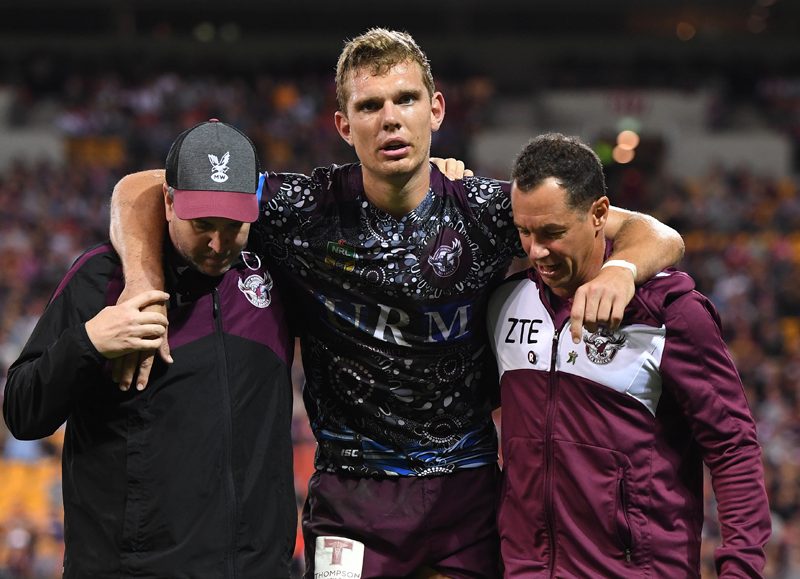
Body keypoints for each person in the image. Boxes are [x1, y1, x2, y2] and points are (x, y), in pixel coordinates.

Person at [109, 29, 685, 578]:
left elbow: (655, 233)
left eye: (405, 99)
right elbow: (141, 187)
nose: (390, 118)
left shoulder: (486, 210)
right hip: (351, 496)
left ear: (435, 110)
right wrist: (141, 286)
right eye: (369, 105)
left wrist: (620, 269)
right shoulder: (302, 208)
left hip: (465, 491)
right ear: (343, 124)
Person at [3, 120, 296, 578]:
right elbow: (23, 412)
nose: (217, 243)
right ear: (169, 201)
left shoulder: (273, 272)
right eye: (202, 225)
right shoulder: (102, 278)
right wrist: (89, 342)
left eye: (234, 226)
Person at [487, 133, 771, 577]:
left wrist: (741, 569)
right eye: (525, 232)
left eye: (553, 233)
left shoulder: (668, 314)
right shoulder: (505, 304)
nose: (536, 250)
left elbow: (732, 447)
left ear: (600, 214)